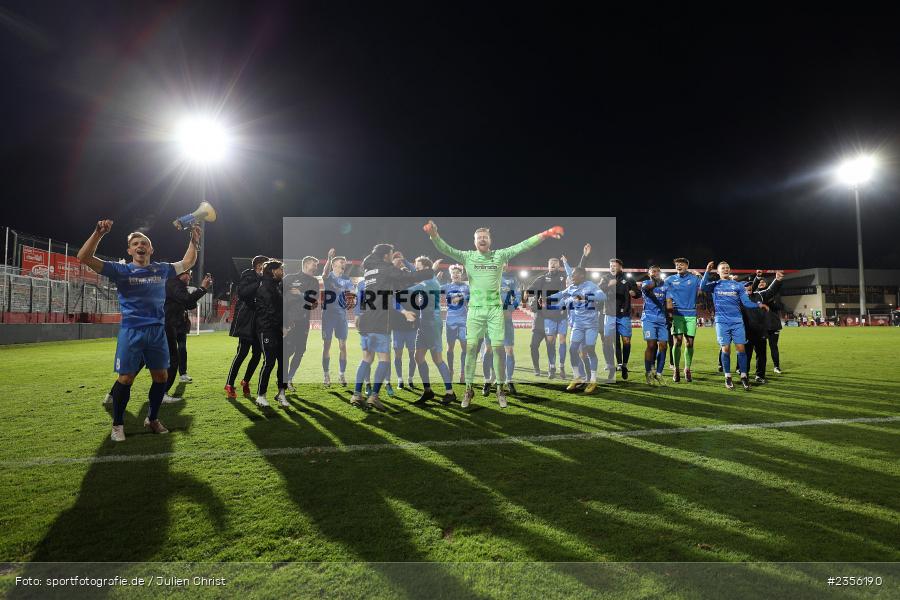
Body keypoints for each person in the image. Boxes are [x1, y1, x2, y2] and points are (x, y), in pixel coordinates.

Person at [78, 219, 199, 442]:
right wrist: (98, 234)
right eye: (135, 243)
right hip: (132, 332)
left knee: (161, 376)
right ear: (130, 250)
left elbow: (188, 261)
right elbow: (84, 258)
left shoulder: (161, 269)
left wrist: (194, 240)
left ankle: (152, 418)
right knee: (126, 378)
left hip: (157, 332)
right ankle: (117, 425)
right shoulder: (120, 270)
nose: (140, 245)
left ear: (151, 249)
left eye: (144, 242)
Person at [426, 220, 563, 408]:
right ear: (474, 241)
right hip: (474, 311)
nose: (482, 239)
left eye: (485, 237)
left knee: (498, 350)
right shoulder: (467, 257)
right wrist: (434, 235)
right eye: (479, 237)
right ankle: (468, 389)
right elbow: (446, 248)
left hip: (495, 310)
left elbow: (523, 245)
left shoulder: (500, 255)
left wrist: (545, 234)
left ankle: (499, 388)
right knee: (472, 349)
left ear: (490, 240)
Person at [350, 243, 438, 410]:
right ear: (385, 256)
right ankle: (373, 397)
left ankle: (356, 394)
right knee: (384, 360)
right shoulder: (385, 268)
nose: (392, 257)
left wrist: (404, 312)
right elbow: (407, 278)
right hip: (380, 321)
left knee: (366, 358)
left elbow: (390, 293)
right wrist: (429, 271)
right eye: (391, 254)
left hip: (366, 320)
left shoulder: (369, 271)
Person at [700, 261, 769, 391]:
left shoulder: (737, 286)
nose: (725, 270)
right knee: (725, 349)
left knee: (741, 349)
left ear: (729, 270)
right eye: (723, 268)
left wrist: (758, 305)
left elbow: (746, 303)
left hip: (737, 321)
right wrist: (707, 272)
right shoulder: (715, 285)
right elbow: (703, 287)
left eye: (727, 268)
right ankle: (728, 376)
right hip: (722, 322)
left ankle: (744, 376)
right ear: (718, 271)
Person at [408, 256, 457, 404]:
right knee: (418, 357)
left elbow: (408, 290)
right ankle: (428, 391)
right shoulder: (429, 280)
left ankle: (450, 392)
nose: (416, 269)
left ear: (426, 268)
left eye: (418, 267)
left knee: (437, 359)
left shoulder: (429, 282)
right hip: (423, 323)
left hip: (432, 324)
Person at [162, 269, 210, 400]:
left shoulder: (178, 286)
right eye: (187, 273)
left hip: (177, 324)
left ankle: (182, 374)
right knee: (172, 360)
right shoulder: (174, 284)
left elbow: (189, 304)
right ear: (179, 274)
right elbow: (187, 299)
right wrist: (202, 289)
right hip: (168, 325)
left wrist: (193, 296)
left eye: (190, 273)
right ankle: (162, 393)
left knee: (180, 351)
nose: (189, 276)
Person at [225, 255, 267, 398]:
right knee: (242, 353)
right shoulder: (247, 274)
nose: (265, 267)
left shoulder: (266, 280)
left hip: (259, 322)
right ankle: (229, 384)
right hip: (247, 321)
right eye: (264, 264)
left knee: (257, 354)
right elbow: (243, 293)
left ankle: (246, 381)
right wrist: (260, 280)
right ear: (258, 265)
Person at [560, 267, 605, 393]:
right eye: (571, 275)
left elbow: (602, 296)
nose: (571, 277)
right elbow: (562, 296)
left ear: (582, 276)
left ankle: (593, 380)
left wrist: (585, 297)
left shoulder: (590, 285)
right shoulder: (572, 288)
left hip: (591, 324)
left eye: (573, 275)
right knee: (573, 349)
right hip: (577, 325)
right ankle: (577, 378)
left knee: (589, 350)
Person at [480, 268, 522, 396]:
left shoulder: (512, 279)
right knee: (489, 349)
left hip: (506, 319)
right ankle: (487, 380)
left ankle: (509, 380)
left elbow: (518, 296)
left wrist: (510, 309)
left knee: (509, 350)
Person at [526, 258, 569, 379]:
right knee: (533, 345)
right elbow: (529, 292)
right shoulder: (542, 279)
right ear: (548, 266)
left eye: (555, 264)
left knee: (551, 345)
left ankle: (552, 367)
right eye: (551, 264)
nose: (553, 266)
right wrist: (533, 303)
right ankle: (536, 368)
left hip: (555, 318)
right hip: (540, 320)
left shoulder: (564, 278)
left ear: (559, 266)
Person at [599, 259, 639, 380]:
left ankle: (624, 365)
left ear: (620, 267)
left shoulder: (629, 279)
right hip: (609, 314)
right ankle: (611, 365)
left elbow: (638, 293)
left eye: (614, 265)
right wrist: (608, 285)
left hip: (624, 315)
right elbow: (598, 290)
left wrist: (634, 293)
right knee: (608, 341)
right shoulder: (605, 278)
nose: (612, 267)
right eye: (610, 265)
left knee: (626, 341)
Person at [320, 249, 356, 386]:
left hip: (342, 316)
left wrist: (352, 297)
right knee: (327, 345)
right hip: (328, 316)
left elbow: (352, 292)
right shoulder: (328, 277)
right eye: (341, 262)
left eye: (345, 263)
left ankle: (341, 375)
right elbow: (323, 274)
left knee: (343, 346)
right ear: (334, 264)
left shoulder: (346, 279)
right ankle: (326, 375)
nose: (344, 264)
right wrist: (328, 258)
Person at [283, 256, 320, 391]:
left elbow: (314, 300)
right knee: (288, 350)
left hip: (304, 321)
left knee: (300, 350)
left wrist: (300, 294)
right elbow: (280, 295)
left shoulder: (314, 281)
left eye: (316, 265)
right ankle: (283, 378)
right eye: (314, 264)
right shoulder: (290, 278)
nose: (316, 267)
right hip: (289, 321)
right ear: (306, 264)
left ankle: (289, 378)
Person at [255, 260, 288, 407]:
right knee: (269, 362)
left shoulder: (277, 286)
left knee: (282, 362)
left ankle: (281, 394)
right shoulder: (265, 287)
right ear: (273, 271)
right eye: (281, 269)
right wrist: (281, 326)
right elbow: (270, 311)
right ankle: (261, 396)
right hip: (267, 329)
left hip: (278, 329)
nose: (283, 271)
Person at [664, 258, 702, 382]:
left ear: (687, 266)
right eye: (677, 265)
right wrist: (669, 314)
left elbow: (705, 287)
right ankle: (676, 369)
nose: (679, 266)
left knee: (689, 343)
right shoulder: (669, 280)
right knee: (677, 342)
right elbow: (665, 296)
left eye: (681, 264)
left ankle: (687, 368)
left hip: (691, 314)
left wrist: (701, 276)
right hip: (677, 314)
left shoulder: (694, 279)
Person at [744, 273, 784, 382]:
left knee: (762, 355)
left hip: (760, 331)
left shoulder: (759, 295)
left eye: (750, 285)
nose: (748, 287)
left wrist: (777, 280)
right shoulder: (740, 299)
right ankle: (745, 376)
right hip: (746, 332)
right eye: (746, 286)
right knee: (746, 356)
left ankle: (760, 376)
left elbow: (770, 291)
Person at [640, 266, 670, 385]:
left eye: (658, 271)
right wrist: (655, 282)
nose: (656, 273)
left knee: (663, 346)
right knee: (651, 345)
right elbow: (647, 288)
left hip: (662, 320)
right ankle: (648, 373)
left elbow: (668, 302)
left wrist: (670, 317)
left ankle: (658, 374)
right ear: (649, 274)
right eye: (653, 271)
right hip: (648, 319)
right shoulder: (646, 283)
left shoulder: (666, 286)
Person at [441, 265, 469, 384]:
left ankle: (462, 372)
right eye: (453, 273)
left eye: (458, 273)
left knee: (465, 348)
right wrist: (437, 279)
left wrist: (462, 297)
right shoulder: (446, 287)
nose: (456, 274)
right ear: (451, 275)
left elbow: (472, 296)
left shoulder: (466, 287)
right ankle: (451, 370)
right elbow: (433, 289)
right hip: (450, 321)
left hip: (463, 321)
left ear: (461, 274)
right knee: (450, 348)